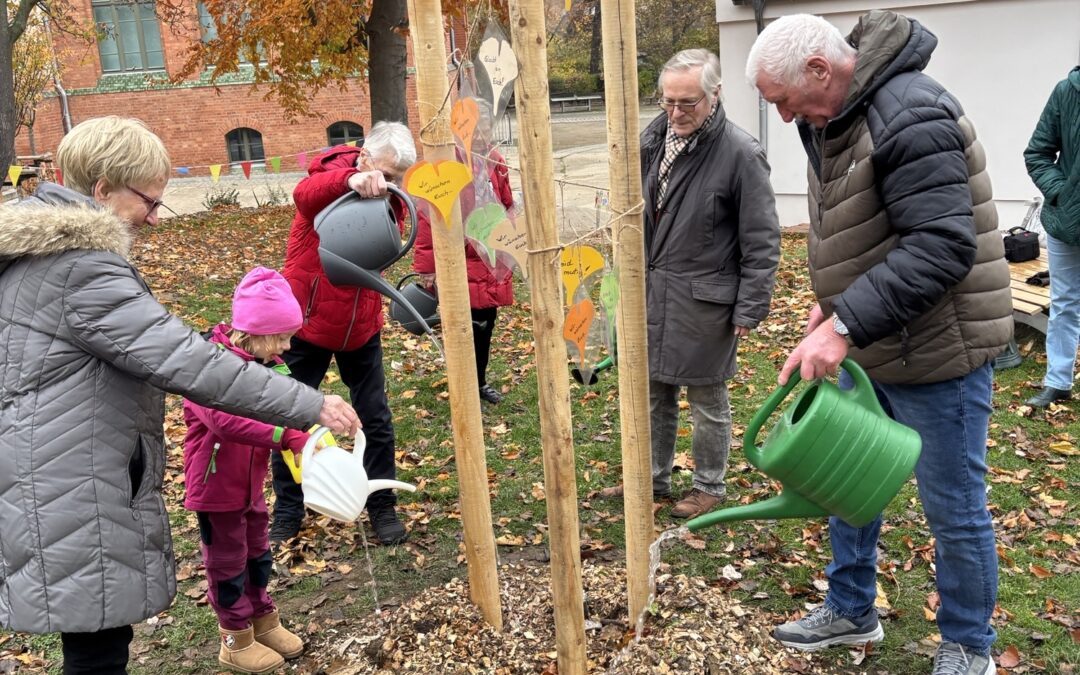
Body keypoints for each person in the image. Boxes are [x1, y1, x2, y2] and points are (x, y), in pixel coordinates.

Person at [0, 116, 359, 675]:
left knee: (94, 639)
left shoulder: (38, 256)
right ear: (102, 190)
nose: (155, 214)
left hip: (47, 465)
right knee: (98, 648)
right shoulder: (80, 268)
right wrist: (310, 404)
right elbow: (186, 360)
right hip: (71, 478)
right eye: (148, 199)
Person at [746, 12, 1012, 675]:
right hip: (876, 339)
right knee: (844, 485)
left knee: (952, 506)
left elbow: (941, 245)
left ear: (818, 69)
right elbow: (868, 224)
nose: (781, 119)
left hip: (937, 351)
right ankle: (850, 606)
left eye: (781, 100)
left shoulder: (910, 113)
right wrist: (831, 301)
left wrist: (844, 324)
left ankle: (969, 646)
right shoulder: (835, 116)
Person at [600, 48, 781, 520]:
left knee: (707, 398)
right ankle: (652, 477)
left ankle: (709, 485)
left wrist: (749, 308)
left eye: (689, 103)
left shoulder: (741, 154)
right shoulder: (651, 140)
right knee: (653, 391)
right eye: (668, 101)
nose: (677, 112)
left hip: (706, 300)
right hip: (651, 293)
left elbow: (761, 240)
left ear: (715, 96)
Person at [271, 121, 417, 546]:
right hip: (306, 324)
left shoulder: (390, 198)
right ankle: (289, 507)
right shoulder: (329, 175)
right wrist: (351, 179)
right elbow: (305, 195)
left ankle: (382, 503)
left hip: (361, 327)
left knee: (374, 416)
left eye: (398, 178)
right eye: (386, 174)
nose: (391, 184)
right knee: (290, 418)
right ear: (365, 157)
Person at [183, 267, 316, 673]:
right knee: (227, 563)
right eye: (282, 336)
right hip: (215, 489)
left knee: (257, 553)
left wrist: (315, 431)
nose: (288, 346)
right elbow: (228, 421)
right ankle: (235, 639)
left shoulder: (268, 363)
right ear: (255, 330)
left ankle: (263, 619)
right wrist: (287, 436)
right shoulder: (208, 367)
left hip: (250, 487)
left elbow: (289, 405)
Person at [412, 100, 516, 404]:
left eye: (487, 128)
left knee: (486, 324)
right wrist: (427, 267)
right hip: (457, 258)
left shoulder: (494, 159)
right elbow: (426, 218)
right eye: (477, 129)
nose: (483, 135)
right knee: (462, 326)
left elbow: (508, 203)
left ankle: (479, 381)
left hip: (489, 259)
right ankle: (464, 386)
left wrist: (510, 236)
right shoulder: (444, 163)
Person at [1023, 66, 1080, 408]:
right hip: (1065, 222)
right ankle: (1058, 381)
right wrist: (1062, 193)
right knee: (1064, 303)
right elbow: (1037, 153)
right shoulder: (1067, 91)